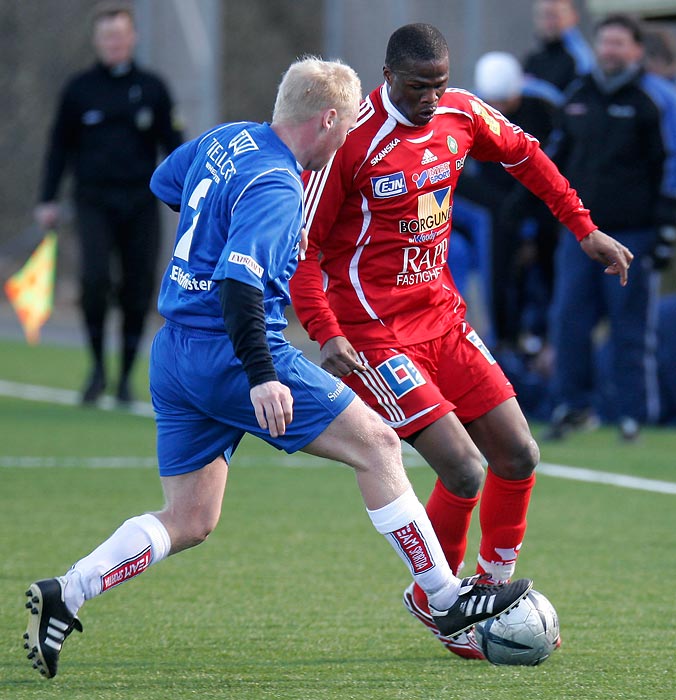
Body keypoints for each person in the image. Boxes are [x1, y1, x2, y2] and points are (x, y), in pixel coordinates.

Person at [22, 56, 534, 681]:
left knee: (189, 519)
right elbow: (240, 286)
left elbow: (165, 181)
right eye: (345, 127)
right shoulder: (278, 183)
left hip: (176, 351)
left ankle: (67, 591)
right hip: (233, 351)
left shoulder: (226, 139)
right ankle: (449, 599)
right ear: (325, 120)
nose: (347, 138)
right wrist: (262, 374)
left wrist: (211, 232)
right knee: (377, 444)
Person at [290, 23, 631, 659]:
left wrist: (583, 229)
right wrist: (326, 332)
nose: (430, 98)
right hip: (375, 335)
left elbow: (527, 157)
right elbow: (302, 252)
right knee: (464, 467)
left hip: (444, 320)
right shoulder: (351, 144)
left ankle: (491, 593)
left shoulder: (461, 113)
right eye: (417, 87)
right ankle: (439, 600)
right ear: (388, 78)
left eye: (438, 85)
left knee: (519, 455)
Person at [34, 1, 183, 404]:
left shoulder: (153, 88)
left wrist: (191, 192)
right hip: (93, 201)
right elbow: (58, 148)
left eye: (120, 35)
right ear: (97, 40)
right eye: (106, 36)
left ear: (131, 37)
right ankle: (98, 366)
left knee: (138, 288)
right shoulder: (79, 90)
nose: (113, 43)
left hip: (141, 202)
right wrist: (46, 198)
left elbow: (175, 148)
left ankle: (125, 377)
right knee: (95, 280)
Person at [544, 14, 676, 442]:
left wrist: (665, 230)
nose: (610, 51)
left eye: (619, 43)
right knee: (568, 320)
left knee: (631, 327)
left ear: (637, 50)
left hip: (633, 233)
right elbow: (554, 158)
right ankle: (571, 405)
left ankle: (634, 415)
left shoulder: (656, 99)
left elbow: (672, 164)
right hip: (581, 234)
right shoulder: (578, 94)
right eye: (605, 42)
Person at [453, 51, 561, 353]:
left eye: (505, 103)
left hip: (531, 192)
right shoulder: (470, 110)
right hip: (496, 197)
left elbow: (553, 159)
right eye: (493, 104)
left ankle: (544, 333)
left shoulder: (544, 106)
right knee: (496, 227)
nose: (499, 110)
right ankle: (500, 332)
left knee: (543, 244)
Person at [523, 0, 595, 95]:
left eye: (554, 16)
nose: (548, 22)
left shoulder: (579, 59)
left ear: (573, 17)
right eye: (543, 16)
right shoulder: (534, 59)